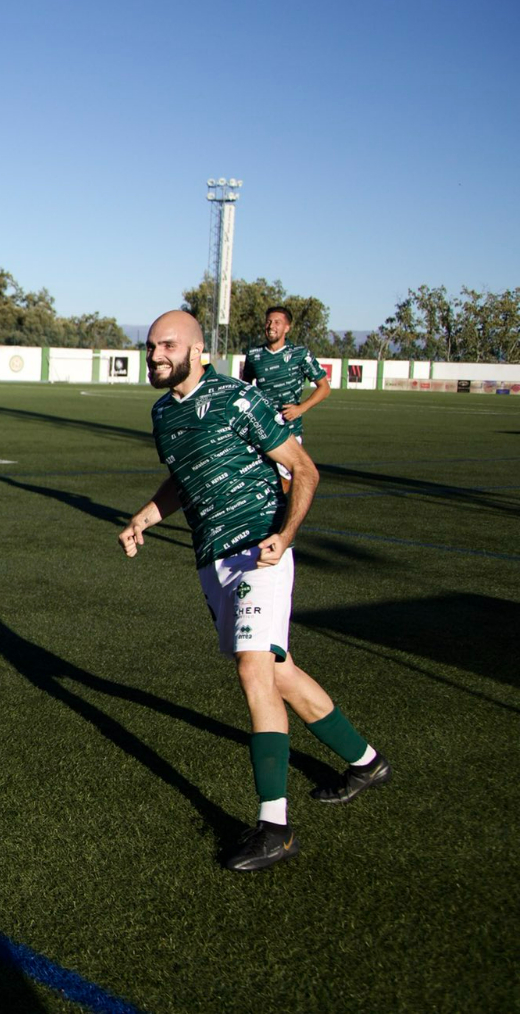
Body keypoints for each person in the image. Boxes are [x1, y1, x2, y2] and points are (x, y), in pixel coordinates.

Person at [119, 310, 390, 872]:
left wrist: (285, 535)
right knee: (277, 669)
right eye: (150, 346)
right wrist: (146, 516)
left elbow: (305, 469)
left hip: (261, 551)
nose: (156, 355)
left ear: (198, 351)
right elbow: (184, 476)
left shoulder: (241, 399)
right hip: (210, 560)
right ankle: (366, 763)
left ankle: (275, 827)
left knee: (251, 668)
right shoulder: (162, 414)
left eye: (167, 344)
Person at [240, 305, 330, 486]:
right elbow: (245, 388)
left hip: (288, 429)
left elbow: (324, 388)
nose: (271, 326)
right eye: (268, 321)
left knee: (285, 481)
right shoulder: (254, 355)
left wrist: (300, 408)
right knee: (257, 479)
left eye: (277, 322)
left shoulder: (300, 354)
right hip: (259, 426)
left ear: (287, 328)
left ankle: (284, 514)